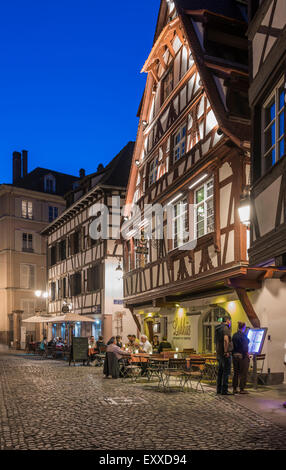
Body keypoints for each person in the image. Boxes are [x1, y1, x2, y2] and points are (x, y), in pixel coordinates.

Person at [215, 315, 233, 395]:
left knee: (220, 372)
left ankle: (219, 389)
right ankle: (224, 390)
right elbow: (226, 340)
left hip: (219, 353)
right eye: (230, 321)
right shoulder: (225, 328)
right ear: (228, 321)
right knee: (226, 372)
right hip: (225, 354)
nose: (230, 323)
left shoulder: (217, 328)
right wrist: (226, 351)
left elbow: (216, 342)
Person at [232, 322, 250, 394]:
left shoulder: (234, 335)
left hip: (234, 355)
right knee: (243, 373)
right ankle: (242, 389)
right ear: (244, 327)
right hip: (242, 356)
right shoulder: (243, 336)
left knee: (235, 373)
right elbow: (245, 347)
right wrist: (246, 354)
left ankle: (234, 388)